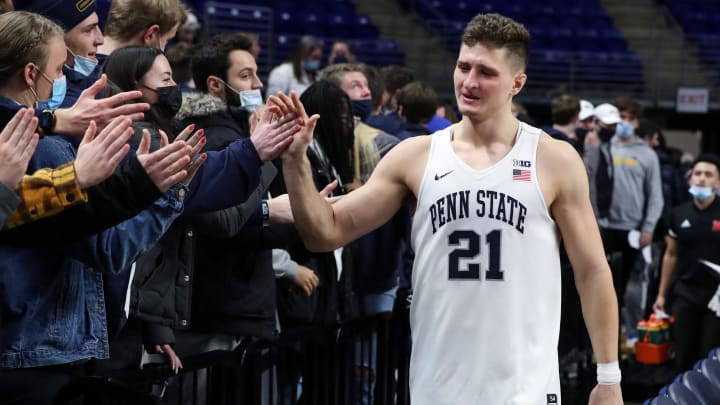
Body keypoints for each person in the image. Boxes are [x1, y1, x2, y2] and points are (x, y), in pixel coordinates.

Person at [281, 13, 622, 404]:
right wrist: (295, 164)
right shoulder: (415, 156)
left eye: (486, 72)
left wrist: (609, 376)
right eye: (463, 67)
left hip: (524, 387)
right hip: (436, 386)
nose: (470, 82)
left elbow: (593, 270)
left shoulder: (554, 159)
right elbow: (325, 232)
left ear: (517, 83)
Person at [652, 153, 720, 372]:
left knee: (709, 359)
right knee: (683, 357)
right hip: (685, 294)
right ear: (690, 179)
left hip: (716, 297)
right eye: (698, 173)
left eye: (708, 175)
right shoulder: (678, 214)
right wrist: (661, 295)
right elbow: (671, 255)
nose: (701, 178)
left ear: (717, 182)